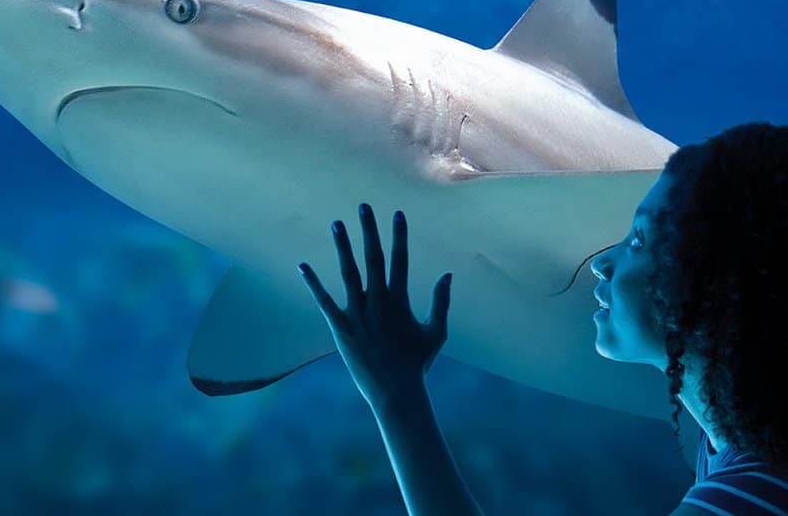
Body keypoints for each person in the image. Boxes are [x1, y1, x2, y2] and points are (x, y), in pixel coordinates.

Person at [297, 121, 788, 515]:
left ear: (716, 276)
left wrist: (396, 395)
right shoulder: (736, 442)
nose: (601, 260)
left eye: (639, 239)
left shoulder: (747, 495)